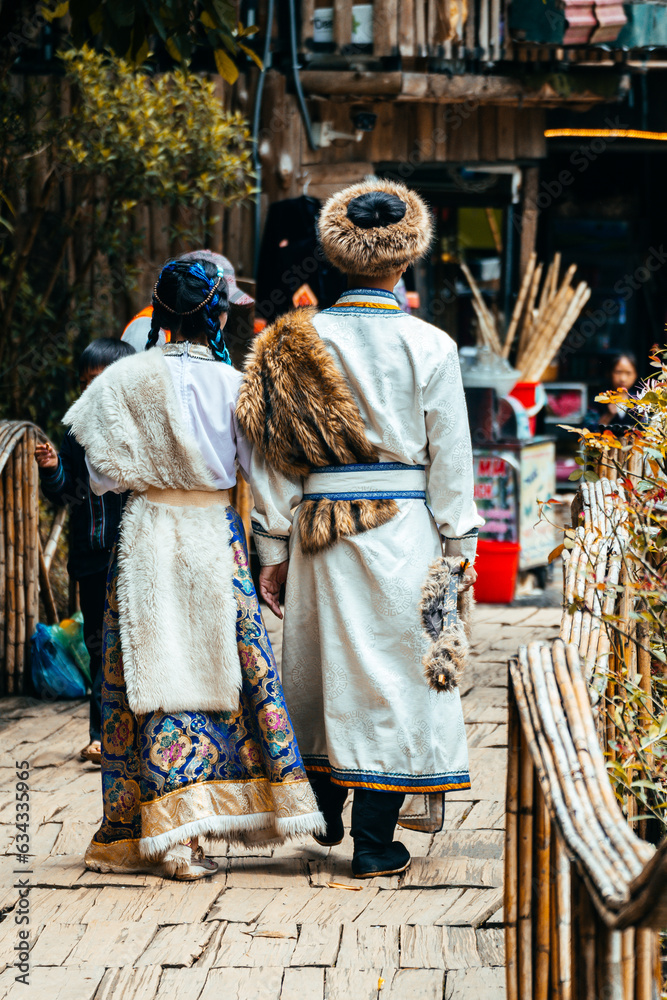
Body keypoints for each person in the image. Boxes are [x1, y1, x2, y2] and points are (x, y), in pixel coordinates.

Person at [237, 178, 483, 879]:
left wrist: (272, 548)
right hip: (406, 532)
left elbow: (272, 455)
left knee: (321, 671)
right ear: (406, 259)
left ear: (334, 255)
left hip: (319, 532)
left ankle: (322, 802)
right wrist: (457, 551)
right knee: (400, 679)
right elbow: (450, 459)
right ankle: (375, 843)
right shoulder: (430, 345)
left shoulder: (293, 343)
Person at [63, 257, 323, 881]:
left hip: (146, 537)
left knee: (154, 676)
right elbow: (265, 482)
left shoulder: (124, 381)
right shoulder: (236, 386)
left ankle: (163, 835)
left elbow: (98, 475)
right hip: (214, 538)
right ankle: (213, 816)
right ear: (218, 313)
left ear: (160, 311)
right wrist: (273, 557)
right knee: (226, 670)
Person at [35, 338, 136, 765]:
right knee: (100, 646)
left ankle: (142, 730)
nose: (89, 392)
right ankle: (101, 734)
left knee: (137, 643)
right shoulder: (75, 433)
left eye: (100, 382)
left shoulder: (138, 428)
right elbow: (66, 495)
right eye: (85, 383)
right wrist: (54, 468)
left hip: (136, 555)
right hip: (93, 560)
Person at [584, 352, 644, 431]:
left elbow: (646, 431)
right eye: (618, 372)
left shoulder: (639, 402)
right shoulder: (598, 401)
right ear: (609, 373)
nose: (623, 378)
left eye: (628, 373)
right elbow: (587, 432)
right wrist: (608, 416)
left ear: (635, 375)